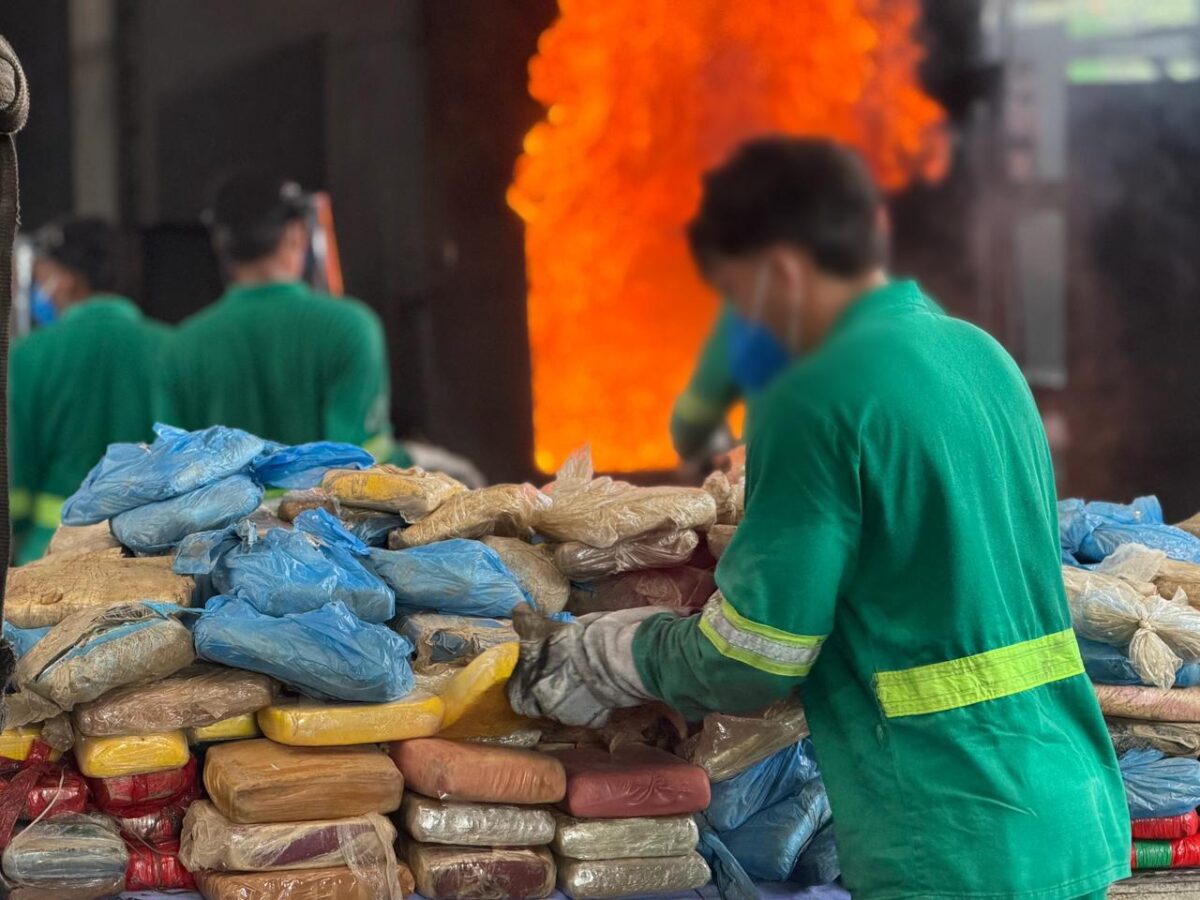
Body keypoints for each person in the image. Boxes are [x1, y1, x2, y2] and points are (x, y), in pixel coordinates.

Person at [509, 137, 1129, 899]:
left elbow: (758, 653)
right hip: (1070, 810)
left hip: (951, 833)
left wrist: (608, 658)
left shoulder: (811, 394)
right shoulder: (983, 357)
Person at [161, 171, 396, 457]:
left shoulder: (179, 349)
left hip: (218, 504)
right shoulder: (351, 328)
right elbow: (365, 458)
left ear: (220, 243)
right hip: (326, 504)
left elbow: (174, 471)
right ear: (296, 235)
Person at [10, 217, 166, 562]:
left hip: (50, 555)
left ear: (66, 279)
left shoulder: (29, 356)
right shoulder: (170, 348)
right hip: (149, 558)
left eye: (40, 276)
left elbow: (15, 473)